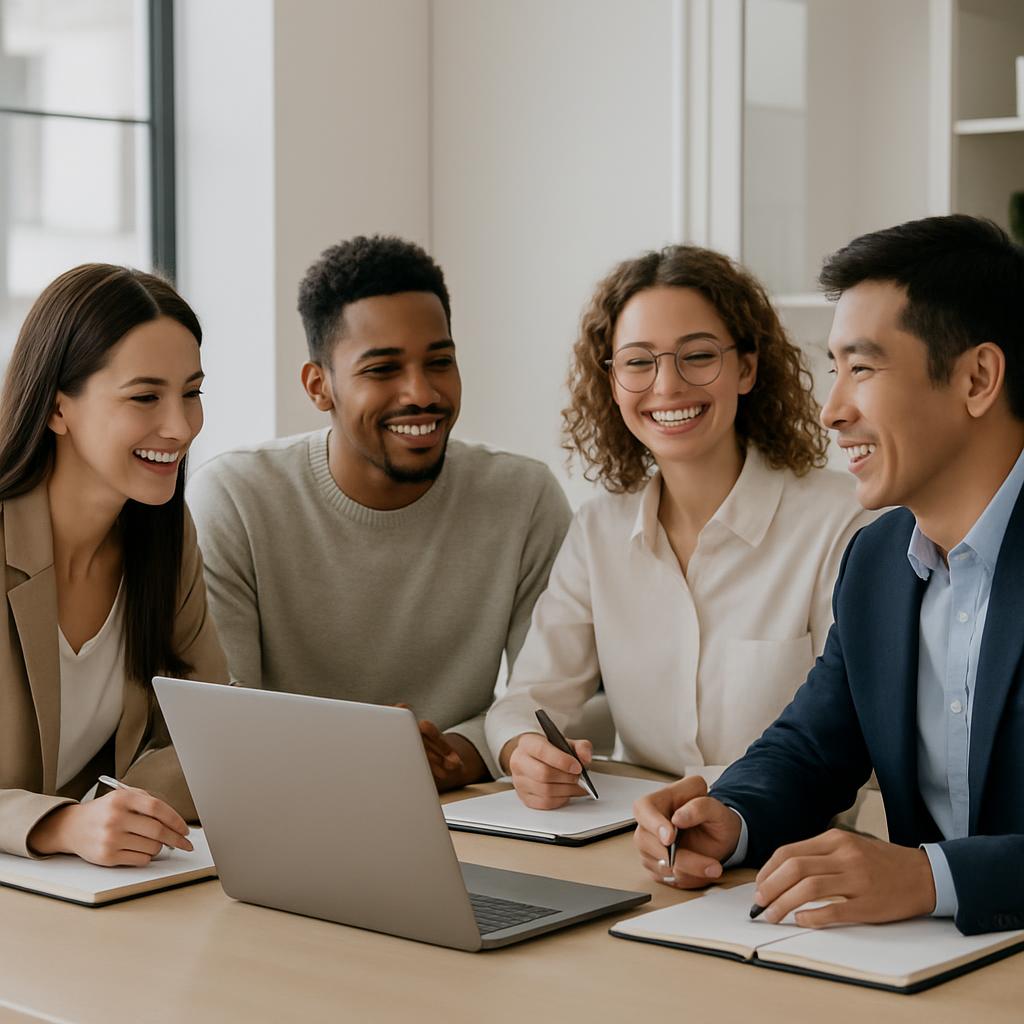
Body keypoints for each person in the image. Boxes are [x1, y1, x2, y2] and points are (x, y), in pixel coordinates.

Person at [633, 215, 1024, 937]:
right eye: (834, 368)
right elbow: (811, 748)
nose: (832, 410)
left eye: (863, 368)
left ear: (977, 379)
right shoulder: (878, 561)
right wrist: (731, 817)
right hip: (922, 975)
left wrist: (931, 876)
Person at [485, 245, 871, 808]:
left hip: (787, 837)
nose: (667, 387)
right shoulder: (598, 532)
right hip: (637, 838)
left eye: (697, 356)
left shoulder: (842, 524)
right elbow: (528, 699)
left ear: (746, 367)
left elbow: (848, 740)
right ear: (612, 381)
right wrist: (524, 751)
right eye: (639, 361)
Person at [188, 235, 571, 791]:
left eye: (439, 362)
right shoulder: (235, 498)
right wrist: (368, 756)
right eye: (382, 370)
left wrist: (455, 759)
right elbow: (222, 717)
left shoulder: (524, 497)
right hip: (290, 804)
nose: (420, 393)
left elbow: (549, 695)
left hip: (469, 808)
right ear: (319, 386)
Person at [0, 264, 228, 864]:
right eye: (145, 397)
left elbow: (210, 736)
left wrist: (112, 811)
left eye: (192, 392)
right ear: (56, 409)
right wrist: (58, 825)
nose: (180, 427)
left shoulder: (165, 539)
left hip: (88, 892)